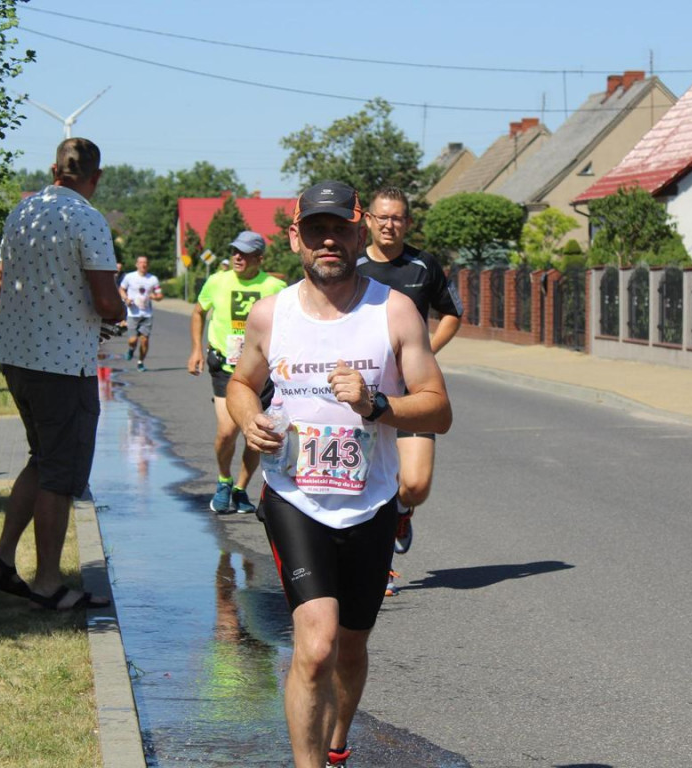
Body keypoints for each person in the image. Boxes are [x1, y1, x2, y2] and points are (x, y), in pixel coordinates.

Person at [226, 180, 452, 768]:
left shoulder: (394, 311)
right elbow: (241, 383)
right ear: (295, 237)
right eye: (315, 230)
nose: (328, 241)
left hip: (371, 503)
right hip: (294, 498)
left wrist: (378, 404)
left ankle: (335, 748)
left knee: (350, 646)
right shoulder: (270, 314)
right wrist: (249, 419)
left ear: (358, 233)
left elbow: (438, 409)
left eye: (339, 230)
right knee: (317, 643)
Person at [0, 137, 126, 611]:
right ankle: (47, 583)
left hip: (17, 357)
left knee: (41, 459)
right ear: (95, 176)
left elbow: (3, 282)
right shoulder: (87, 218)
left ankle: (2, 560)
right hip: (63, 366)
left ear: (53, 169)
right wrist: (117, 312)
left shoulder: (21, 213)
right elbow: (106, 301)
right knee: (60, 476)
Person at [356, 186, 463, 595]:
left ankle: (401, 512)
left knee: (415, 484)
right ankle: (378, 566)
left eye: (397, 218)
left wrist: (426, 352)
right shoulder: (354, 264)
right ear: (368, 220)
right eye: (382, 217)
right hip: (363, 391)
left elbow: (451, 313)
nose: (389, 225)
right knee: (367, 480)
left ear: (408, 222)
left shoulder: (423, 264)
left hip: (412, 391)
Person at [188, 231, 286, 515]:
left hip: (261, 372)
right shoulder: (217, 281)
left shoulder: (275, 287)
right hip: (225, 368)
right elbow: (198, 312)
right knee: (227, 431)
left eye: (244, 253)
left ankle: (241, 488)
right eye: (234, 252)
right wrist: (196, 350)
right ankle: (223, 480)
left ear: (259, 258)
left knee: (255, 431)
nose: (237, 257)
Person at [119, 255, 163, 371]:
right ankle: (131, 350)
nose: (143, 265)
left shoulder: (153, 279)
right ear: (136, 264)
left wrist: (155, 297)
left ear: (148, 265)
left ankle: (140, 362)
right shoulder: (129, 277)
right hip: (133, 313)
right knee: (133, 340)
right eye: (141, 262)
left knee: (144, 340)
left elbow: (159, 295)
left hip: (147, 314)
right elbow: (121, 289)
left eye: (145, 263)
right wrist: (126, 299)